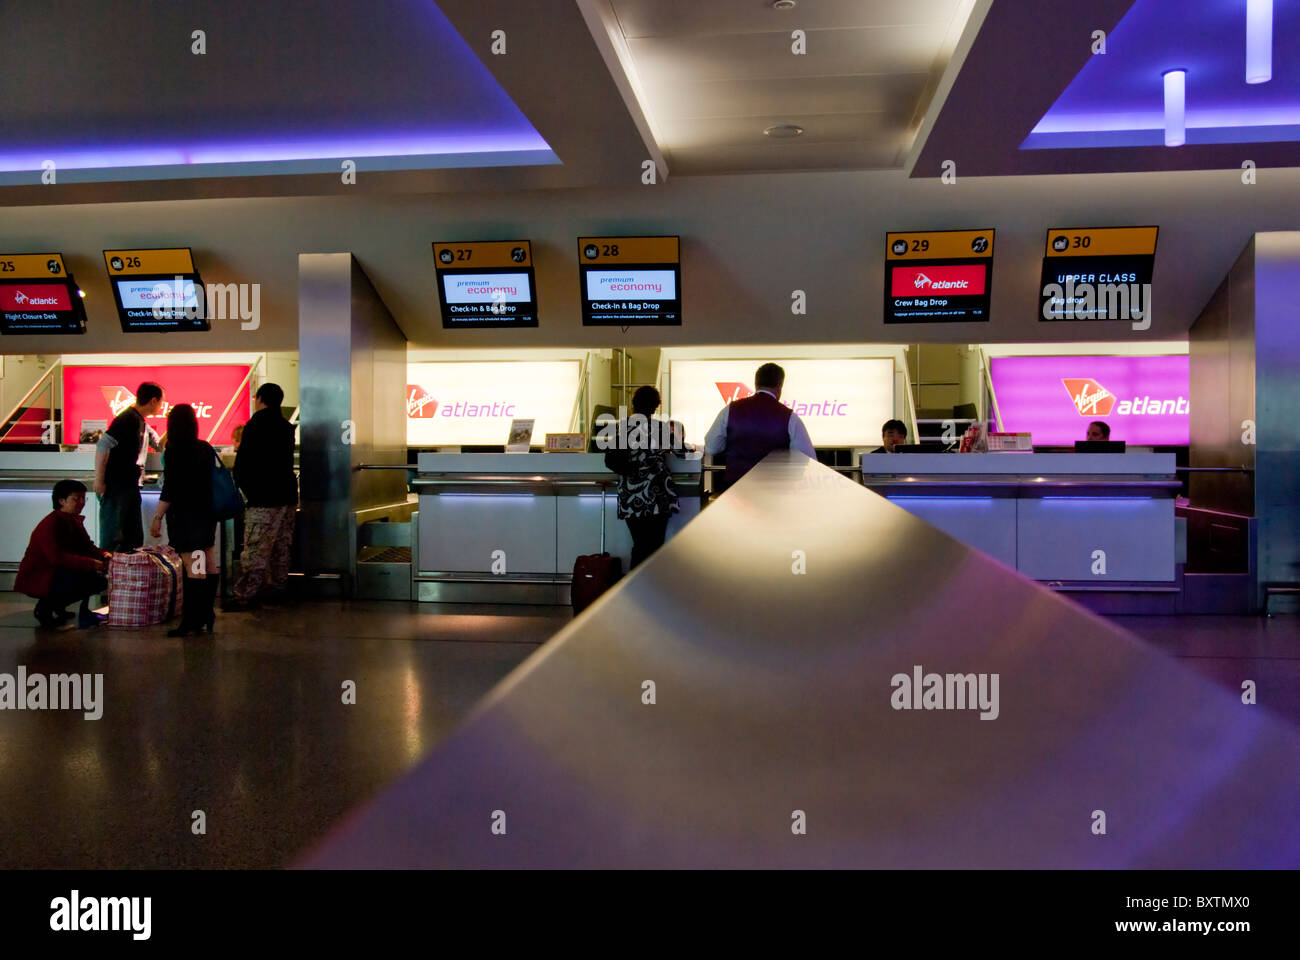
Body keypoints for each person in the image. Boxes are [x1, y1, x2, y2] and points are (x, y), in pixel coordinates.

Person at [150, 404, 218, 637]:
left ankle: (192, 619)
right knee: (208, 563)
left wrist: (157, 516)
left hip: (187, 519)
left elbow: (170, 489)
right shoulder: (205, 449)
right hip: (206, 515)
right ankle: (207, 614)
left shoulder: (176, 451)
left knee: (194, 567)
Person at [229, 383, 298, 609]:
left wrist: (246, 490)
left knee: (256, 548)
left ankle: (245, 595)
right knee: (280, 546)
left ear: (259, 399)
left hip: (263, 498)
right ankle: (277, 589)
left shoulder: (255, 425)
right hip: (287, 496)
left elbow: (243, 465)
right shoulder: (287, 428)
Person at [14, 480, 111, 629]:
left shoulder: (71, 521)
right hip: (41, 576)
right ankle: (45, 609)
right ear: (61, 501)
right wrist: (91, 564)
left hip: (54, 573)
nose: (81, 502)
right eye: (76, 498)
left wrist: (104, 555)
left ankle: (57, 606)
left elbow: (87, 546)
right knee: (90, 580)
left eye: (83, 498)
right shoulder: (50, 524)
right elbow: (56, 558)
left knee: (97, 580)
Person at [703, 362, 816, 488]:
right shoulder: (790, 417)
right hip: (774, 492)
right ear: (780, 386)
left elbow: (711, 447)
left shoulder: (730, 410)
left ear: (756, 384)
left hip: (736, 492)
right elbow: (807, 459)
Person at [607, 386, 683, 568]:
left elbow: (610, 460)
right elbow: (682, 451)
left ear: (634, 404)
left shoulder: (621, 427)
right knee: (654, 547)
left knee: (640, 545)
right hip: (656, 496)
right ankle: (648, 588)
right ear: (656, 406)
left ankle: (634, 588)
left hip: (631, 498)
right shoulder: (659, 428)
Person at [93, 381, 164, 552]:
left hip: (128, 486)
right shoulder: (128, 420)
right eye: (161, 402)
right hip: (117, 486)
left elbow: (160, 445)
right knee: (114, 536)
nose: (162, 407)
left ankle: (122, 574)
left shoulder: (139, 421)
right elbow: (103, 445)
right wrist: (99, 480)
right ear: (153, 401)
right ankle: (108, 574)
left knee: (131, 537)